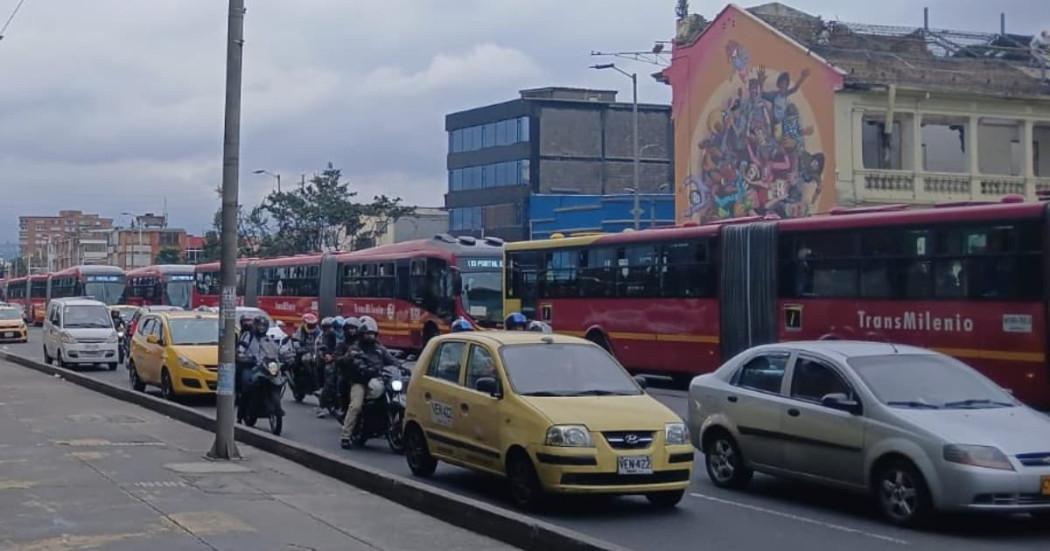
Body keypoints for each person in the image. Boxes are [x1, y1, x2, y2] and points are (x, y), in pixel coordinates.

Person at [341, 315, 400, 449]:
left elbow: (391, 360)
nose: (370, 337)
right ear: (362, 335)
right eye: (368, 334)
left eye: (372, 334)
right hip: (361, 381)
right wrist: (363, 368)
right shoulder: (356, 348)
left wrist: (400, 366)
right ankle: (345, 435)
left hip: (379, 379)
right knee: (355, 406)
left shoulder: (380, 349)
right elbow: (355, 361)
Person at [315, 316, 339, 418]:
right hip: (330, 361)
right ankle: (322, 406)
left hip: (344, 361)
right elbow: (322, 347)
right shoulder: (325, 335)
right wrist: (328, 356)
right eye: (326, 327)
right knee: (330, 381)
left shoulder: (350, 337)